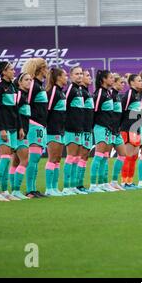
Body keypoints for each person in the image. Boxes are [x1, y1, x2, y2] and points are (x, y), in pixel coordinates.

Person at [0, 60, 20, 201]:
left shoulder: (13, 87)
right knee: (4, 159)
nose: (14, 71)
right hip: (4, 128)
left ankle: (4, 191)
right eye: (11, 69)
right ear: (4, 72)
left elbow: (16, 109)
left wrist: (20, 127)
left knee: (8, 160)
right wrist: (2, 129)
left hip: (14, 128)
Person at [22, 58, 48, 198]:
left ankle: (33, 188)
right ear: (41, 69)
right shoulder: (33, 85)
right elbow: (27, 103)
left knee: (36, 158)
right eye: (46, 68)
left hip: (40, 125)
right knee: (34, 157)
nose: (47, 71)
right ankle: (30, 190)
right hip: (33, 124)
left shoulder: (39, 85)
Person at [89, 70, 116, 192]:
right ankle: (93, 185)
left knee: (105, 156)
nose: (112, 80)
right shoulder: (100, 93)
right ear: (103, 80)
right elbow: (93, 110)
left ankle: (102, 183)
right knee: (99, 155)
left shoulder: (108, 93)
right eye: (110, 77)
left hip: (108, 128)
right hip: (100, 127)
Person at [44, 67, 68, 196]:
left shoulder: (61, 92)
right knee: (52, 157)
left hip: (60, 129)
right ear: (58, 77)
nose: (66, 77)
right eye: (65, 75)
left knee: (58, 158)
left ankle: (54, 187)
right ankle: (49, 188)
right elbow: (47, 110)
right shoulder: (53, 91)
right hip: (53, 129)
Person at [10, 72, 33, 200]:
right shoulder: (19, 94)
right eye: (26, 79)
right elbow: (14, 112)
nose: (29, 81)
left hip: (22, 132)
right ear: (19, 82)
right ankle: (16, 190)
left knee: (16, 162)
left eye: (30, 79)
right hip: (20, 133)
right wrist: (20, 128)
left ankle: (14, 190)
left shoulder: (24, 95)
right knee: (25, 160)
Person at [63, 66, 86, 195]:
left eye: (81, 73)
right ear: (71, 76)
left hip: (79, 129)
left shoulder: (80, 90)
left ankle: (73, 186)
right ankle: (67, 187)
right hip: (71, 128)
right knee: (71, 156)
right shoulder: (71, 90)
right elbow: (64, 109)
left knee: (76, 157)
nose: (79, 76)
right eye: (76, 74)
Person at [120, 74, 142, 189]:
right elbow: (122, 109)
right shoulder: (129, 94)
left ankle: (130, 181)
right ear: (132, 83)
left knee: (134, 156)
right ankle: (124, 182)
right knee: (128, 156)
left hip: (136, 129)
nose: (141, 83)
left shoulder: (137, 95)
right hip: (128, 128)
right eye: (139, 81)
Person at [108, 73, 128, 190]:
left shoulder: (118, 96)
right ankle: (101, 183)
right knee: (104, 157)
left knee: (122, 154)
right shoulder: (111, 95)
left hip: (117, 131)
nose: (123, 84)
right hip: (110, 130)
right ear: (114, 83)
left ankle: (114, 181)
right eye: (121, 82)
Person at [76, 69, 95, 192]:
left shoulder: (86, 92)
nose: (89, 78)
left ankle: (80, 184)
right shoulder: (80, 92)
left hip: (88, 129)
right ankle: (76, 184)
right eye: (87, 75)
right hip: (81, 129)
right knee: (80, 156)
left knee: (84, 156)